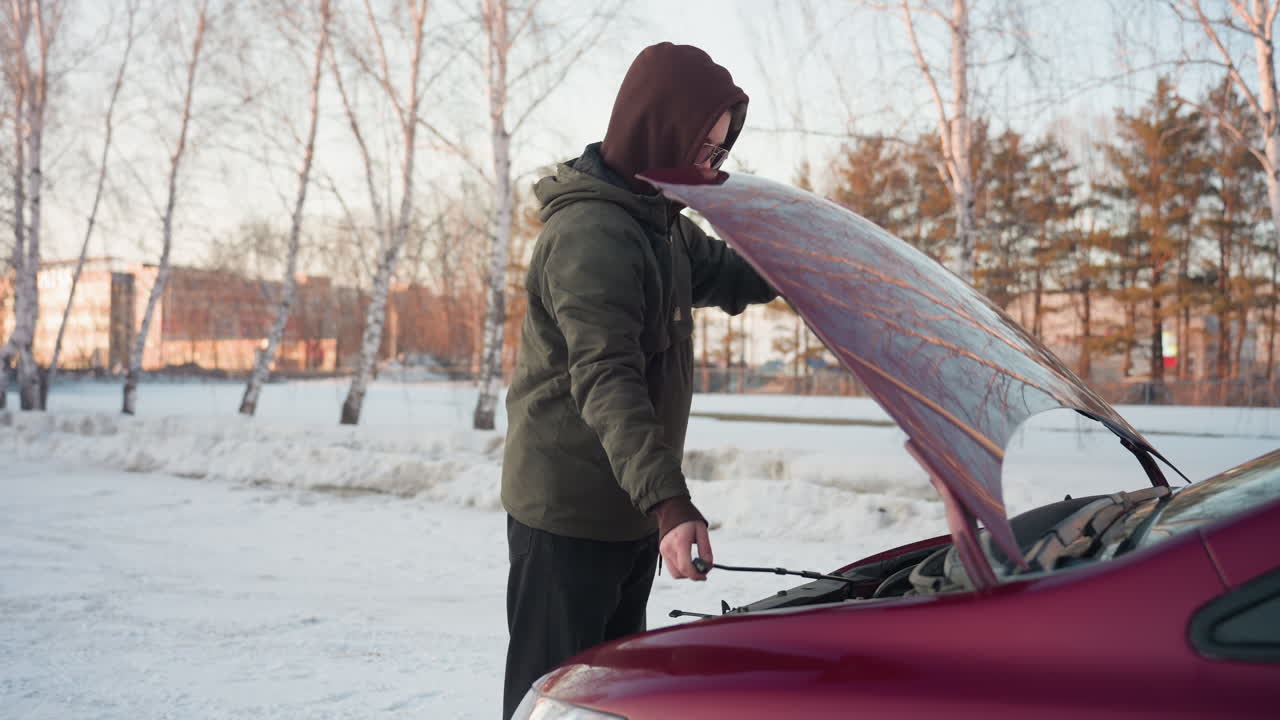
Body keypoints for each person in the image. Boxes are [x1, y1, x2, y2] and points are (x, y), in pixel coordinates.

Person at [500, 42, 777, 718]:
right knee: (553, 702)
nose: (711, 167)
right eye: (704, 149)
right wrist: (671, 504)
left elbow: (735, 274)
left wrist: (814, 264)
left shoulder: (661, 228)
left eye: (720, 152)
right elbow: (607, 381)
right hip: (569, 516)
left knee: (615, 702)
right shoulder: (592, 236)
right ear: (660, 131)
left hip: (630, 513)